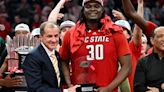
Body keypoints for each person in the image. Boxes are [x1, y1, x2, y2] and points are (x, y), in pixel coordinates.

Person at [60, 0, 132, 92]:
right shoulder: (71, 34)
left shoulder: (115, 32)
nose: (92, 9)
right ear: (83, 10)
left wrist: (108, 88)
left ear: (102, 9)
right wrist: (69, 84)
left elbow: (127, 66)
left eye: (96, 6)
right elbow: (63, 60)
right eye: (88, 6)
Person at [23, 22, 78, 92]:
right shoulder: (32, 57)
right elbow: (35, 88)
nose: (54, 40)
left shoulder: (57, 55)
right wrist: (65, 91)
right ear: (41, 37)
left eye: (56, 36)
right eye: (49, 36)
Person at [134, 26, 164, 92]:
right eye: (160, 36)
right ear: (152, 40)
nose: (163, 39)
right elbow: (138, 88)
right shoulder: (142, 62)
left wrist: (159, 90)